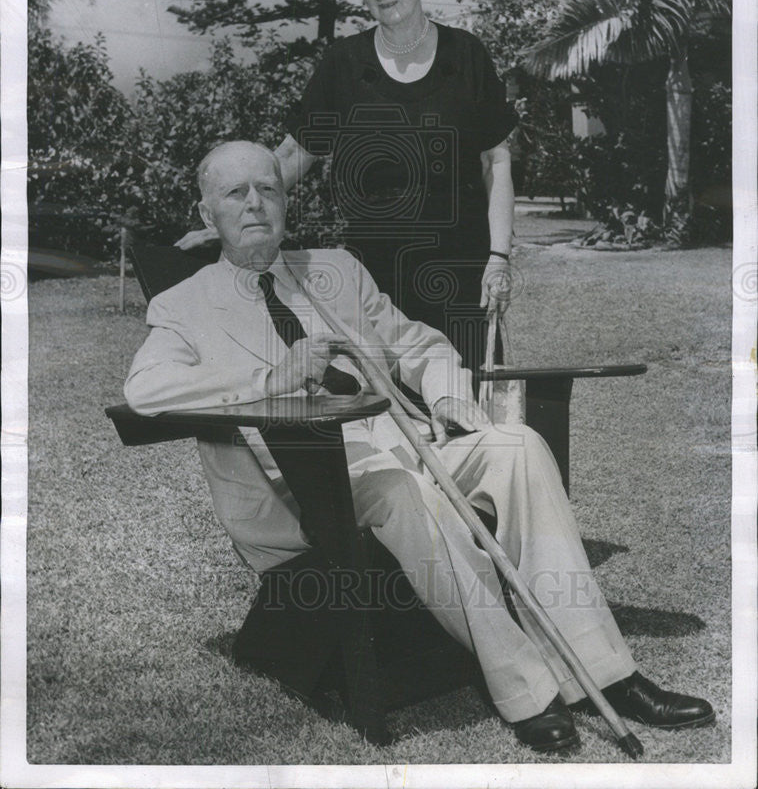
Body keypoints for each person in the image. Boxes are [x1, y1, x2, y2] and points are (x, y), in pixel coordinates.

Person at [128, 140, 714, 753]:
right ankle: (526, 689)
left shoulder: (333, 270)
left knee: (517, 445)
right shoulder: (183, 305)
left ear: (284, 201)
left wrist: (449, 401)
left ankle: (606, 673)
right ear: (206, 215)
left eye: (268, 189)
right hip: (312, 482)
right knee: (401, 491)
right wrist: (268, 380)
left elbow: (420, 344)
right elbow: (145, 389)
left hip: (407, 445)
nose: (255, 204)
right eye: (235, 193)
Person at [177, 0, 516, 373]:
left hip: (460, 272)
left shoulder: (466, 55)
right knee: (389, 408)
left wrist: (498, 258)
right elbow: (293, 156)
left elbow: (496, 161)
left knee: (468, 399)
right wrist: (231, 215)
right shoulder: (344, 64)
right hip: (371, 282)